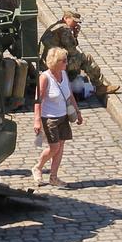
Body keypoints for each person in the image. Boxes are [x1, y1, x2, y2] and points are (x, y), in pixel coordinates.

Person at [32, 46, 81, 188]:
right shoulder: (45, 78)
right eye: (64, 61)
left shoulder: (64, 74)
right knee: (54, 147)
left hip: (63, 117)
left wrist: (77, 112)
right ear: (55, 62)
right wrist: (37, 120)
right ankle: (38, 167)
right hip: (49, 118)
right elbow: (38, 100)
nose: (66, 63)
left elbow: (70, 95)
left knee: (61, 147)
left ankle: (53, 177)